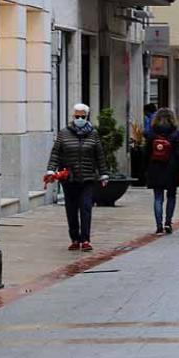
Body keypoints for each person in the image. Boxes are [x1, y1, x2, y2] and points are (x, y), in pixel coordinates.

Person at [46, 104, 105, 251]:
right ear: (73, 117)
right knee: (71, 210)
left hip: (87, 178)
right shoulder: (64, 133)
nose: (79, 119)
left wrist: (104, 173)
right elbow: (56, 153)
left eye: (82, 117)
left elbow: (99, 156)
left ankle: (85, 240)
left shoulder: (93, 134)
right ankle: (74, 238)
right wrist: (51, 170)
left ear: (87, 117)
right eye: (77, 116)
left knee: (86, 208)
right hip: (69, 179)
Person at [145, 108, 179, 235]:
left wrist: (145, 168)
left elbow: (146, 152)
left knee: (158, 197)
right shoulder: (175, 133)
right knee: (171, 196)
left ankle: (158, 226)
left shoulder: (152, 133)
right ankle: (168, 222)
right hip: (171, 169)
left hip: (155, 168)